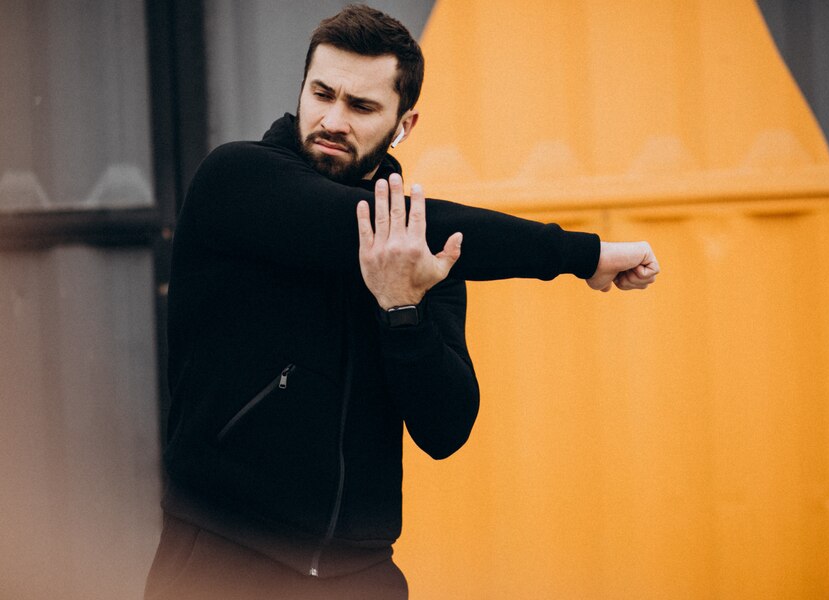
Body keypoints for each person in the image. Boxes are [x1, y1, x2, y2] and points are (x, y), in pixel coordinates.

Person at [144, 4, 658, 599]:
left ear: (404, 124)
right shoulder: (237, 181)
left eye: (361, 107)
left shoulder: (423, 253)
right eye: (322, 93)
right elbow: (366, 224)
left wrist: (401, 312)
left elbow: (446, 429)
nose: (332, 119)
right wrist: (584, 255)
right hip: (220, 561)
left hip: (359, 578)